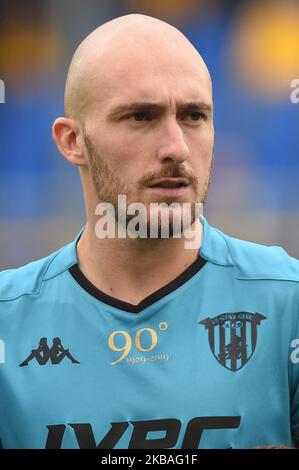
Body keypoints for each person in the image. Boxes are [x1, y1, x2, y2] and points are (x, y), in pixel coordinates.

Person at [0, 14, 298, 449]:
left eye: (194, 115)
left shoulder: (288, 303)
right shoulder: (7, 323)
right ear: (72, 141)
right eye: (140, 116)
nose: (176, 147)